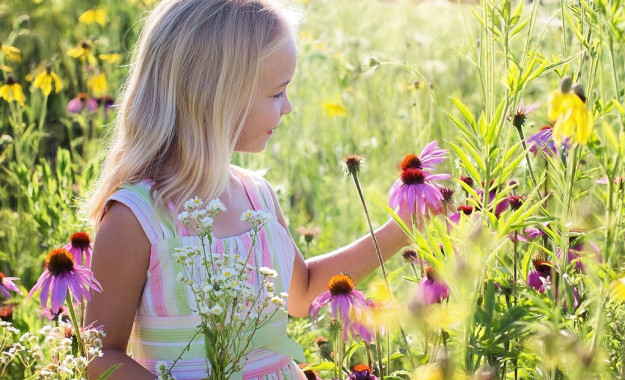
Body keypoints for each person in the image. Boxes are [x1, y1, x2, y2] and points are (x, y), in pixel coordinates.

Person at [84, 0, 410, 378]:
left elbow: (302, 294)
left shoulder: (258, 196)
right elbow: (100, 354)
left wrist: (396, 232)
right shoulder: (137, 217)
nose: (288, 107)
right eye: (276, 93)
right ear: (217, 97)